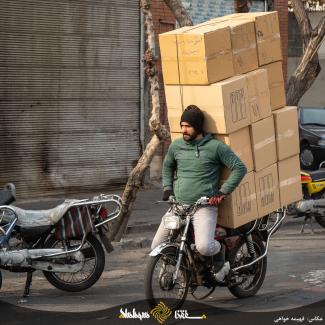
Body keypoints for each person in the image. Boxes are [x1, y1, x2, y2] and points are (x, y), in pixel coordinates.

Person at [151, 105, 247, 281]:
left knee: (204, 246)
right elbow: (167, 166)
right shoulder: (176, 146)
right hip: (178, 205)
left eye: (188, 126)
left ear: (198, 126)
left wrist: (223, 191)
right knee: (157, 244)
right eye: (182, 126)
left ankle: (220, 253)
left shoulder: (215, 147)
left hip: (203, 207)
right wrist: (167, 188)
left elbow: (239, 168)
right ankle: (184, 269)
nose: (184, 130)